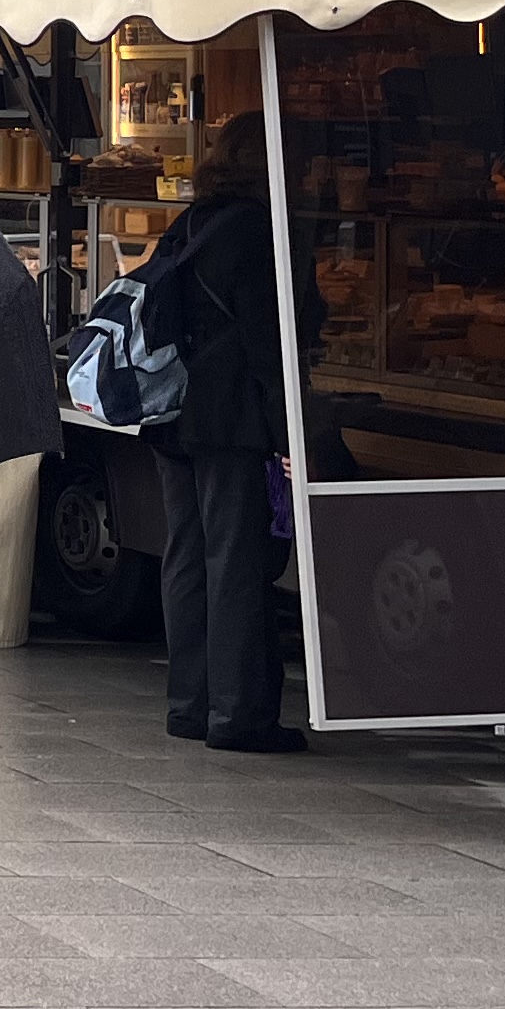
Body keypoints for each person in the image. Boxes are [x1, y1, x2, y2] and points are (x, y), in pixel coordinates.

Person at [154, 112, 317, 753]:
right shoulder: (259, 232)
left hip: (173, 413)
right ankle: (240, 713)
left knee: (187, 558)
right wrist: (290, 431)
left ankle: (188, 705)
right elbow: (270, 342)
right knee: (236, 562)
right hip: (233, 420)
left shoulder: (190, 223)